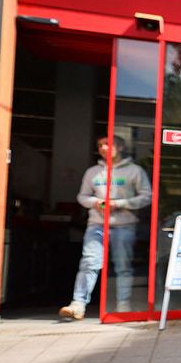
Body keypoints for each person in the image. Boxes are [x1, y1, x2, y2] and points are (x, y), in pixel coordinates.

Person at [59, 136, 152, 320]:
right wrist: (96, 202)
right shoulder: (93, 172)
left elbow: (147, 196)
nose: (103, 148)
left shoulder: (135, 171)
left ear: (120, 147)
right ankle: (78, 305)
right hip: (97, 225)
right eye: (100, 145)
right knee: (89, 262)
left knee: (122, 266)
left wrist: (120, 203)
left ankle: (123, 306)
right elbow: (82, 196)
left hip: (124, 225)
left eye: (108, 144)